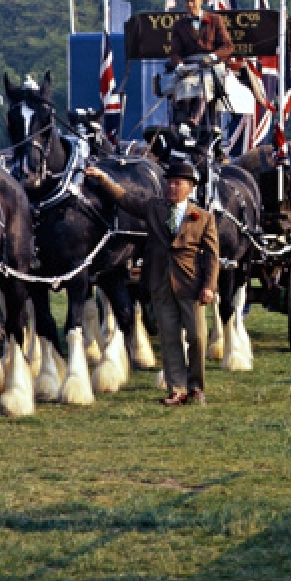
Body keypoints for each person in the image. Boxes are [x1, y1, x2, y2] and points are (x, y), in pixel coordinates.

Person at [84, 160, 219, 406]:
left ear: (189, 187)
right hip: (160, 284)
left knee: (197, 338)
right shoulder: (153, 208)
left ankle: (196, 387)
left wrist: (209, 286)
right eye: (169, 182)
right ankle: (176, 389)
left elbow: (212, 257)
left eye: (177, 183)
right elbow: (123, 198)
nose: (171, 187)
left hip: (191, 286)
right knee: (169, 339)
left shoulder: (204, 218)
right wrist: (103, 179)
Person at [167, 0, 235, 69]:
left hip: (213, 65)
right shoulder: (179, 25)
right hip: (188, 66)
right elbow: (174, 52)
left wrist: (212, 57)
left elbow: (227, 45)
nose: (190, 5)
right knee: (171, 82)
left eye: (192, 1)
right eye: (187, 1)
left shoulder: (215, 19)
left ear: (201, 0)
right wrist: (180, 66)